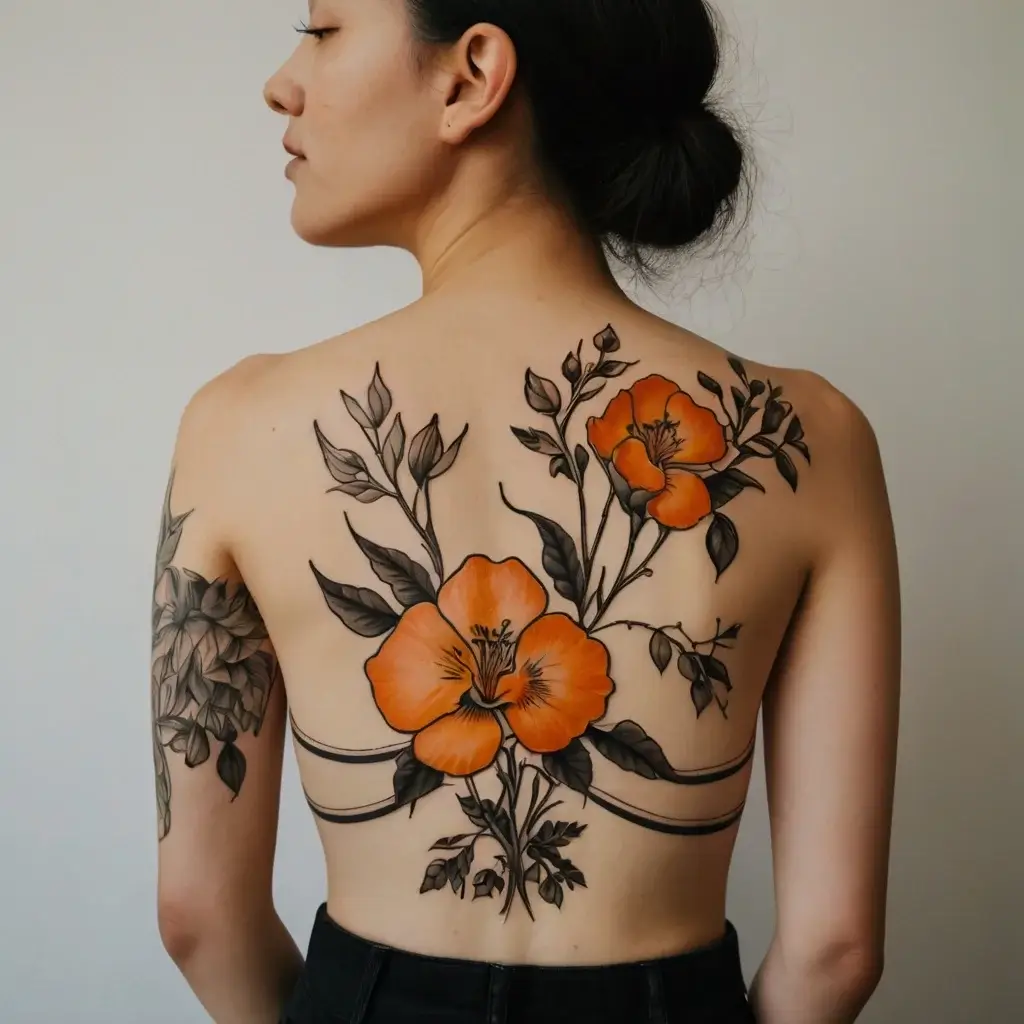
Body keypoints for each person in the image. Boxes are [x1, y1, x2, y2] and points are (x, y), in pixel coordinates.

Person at [150, 1, 901, 1021]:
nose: (283, 82)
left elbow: (198, 911)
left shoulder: (239, 427)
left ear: (471, 75)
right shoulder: (809, 436)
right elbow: (834, 950)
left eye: (322, 29)